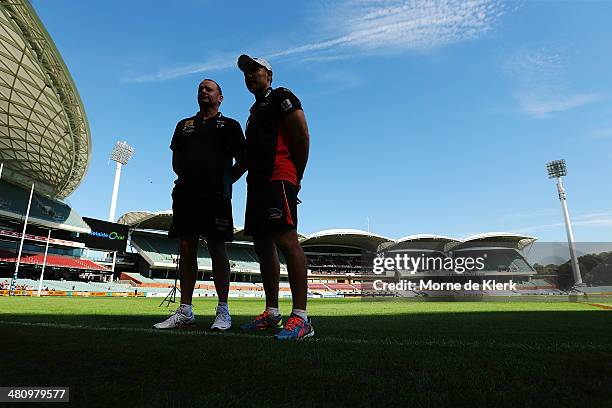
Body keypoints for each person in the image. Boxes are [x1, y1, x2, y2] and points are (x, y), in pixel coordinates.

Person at [154, 78, 246, 331]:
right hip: (186, 195)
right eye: (200, 89)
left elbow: (244, 160)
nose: (203, 91)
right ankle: (185, 311)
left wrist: (226, 180)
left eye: (210, 89)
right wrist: (189, 179)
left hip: (216, 197)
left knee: (217, 247)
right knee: (186, 247)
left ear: (220, 97)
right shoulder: (184, 126)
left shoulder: (230, 125)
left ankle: (223, 311)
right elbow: (176, 161)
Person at [237, 55, 313, 340]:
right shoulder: (253, 112)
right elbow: (247, 156)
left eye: (254, 70)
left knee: (286, 240)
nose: (249, 76)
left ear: (269, 74)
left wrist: (297, 175)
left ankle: (302, 318)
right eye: (245, 73)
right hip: (255, 183)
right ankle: (272, 313)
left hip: (279, 175)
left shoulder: (282, 96)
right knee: (262, 244)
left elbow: (302, 135)